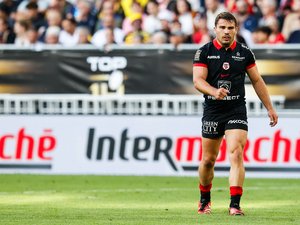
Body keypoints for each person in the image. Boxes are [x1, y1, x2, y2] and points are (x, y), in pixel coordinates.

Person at [192, 12, 278, 216]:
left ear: (236, 30)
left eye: (230, 28)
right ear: (215, 29)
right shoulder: (203, 52)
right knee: (208, 160)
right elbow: (198, 81)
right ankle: (205, 199)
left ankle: (235, 204)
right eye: (222, 27)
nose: (226, 32)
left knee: (237, 153)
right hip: (213, 109)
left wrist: (270, 107)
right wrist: (214, 91)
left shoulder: (244, 53)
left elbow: (257, 80)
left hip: (236, 109)